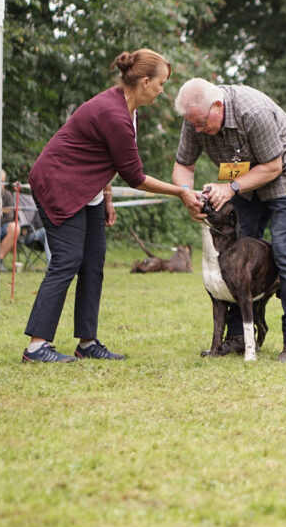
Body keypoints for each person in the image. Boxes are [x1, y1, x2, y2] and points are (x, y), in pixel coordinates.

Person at [22, 49, 203, 363]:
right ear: (145, 82)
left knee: (93, 262)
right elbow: (135, 176)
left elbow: (103, 157)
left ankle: (87, 343)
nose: (163, 91)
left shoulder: (126, 108)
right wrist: (181, 192)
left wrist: (105, 197)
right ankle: (37, 347)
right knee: (68, 259)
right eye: (161, 84)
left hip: (88, 189)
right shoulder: (114, 113)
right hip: (59, 184)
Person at [172, 78, 286, 362]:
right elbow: (183, 165)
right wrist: (187, 195)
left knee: (285, 252)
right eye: (194, 125)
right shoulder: (194, 118)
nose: (198, 130)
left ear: (217, 106)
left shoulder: (253, 111)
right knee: (235, 255)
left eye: (202, 123)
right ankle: (238, 336)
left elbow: (273, 166)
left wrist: (230, 188)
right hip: (244, 179)